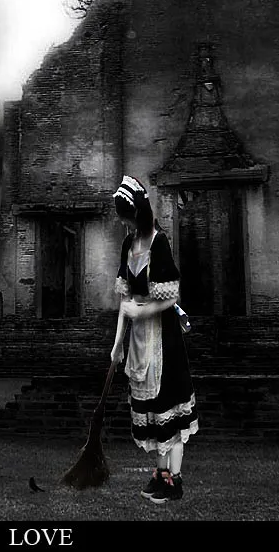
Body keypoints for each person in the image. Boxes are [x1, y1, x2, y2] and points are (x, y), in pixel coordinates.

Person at [109, 175, 199, 504]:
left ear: (139, 214)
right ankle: (160, 474)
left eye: (127, 218)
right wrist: (117, 345)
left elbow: (172, 297)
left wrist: (142, 311)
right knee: (149, 412)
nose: (124, 224)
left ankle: (173, 479)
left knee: (167, 409)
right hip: (138, 341)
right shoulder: (128, 245)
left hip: (164, 340)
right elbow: (125, 300)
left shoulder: (159, 243)